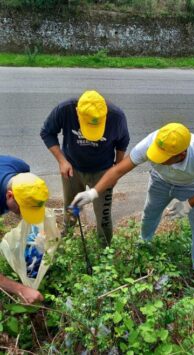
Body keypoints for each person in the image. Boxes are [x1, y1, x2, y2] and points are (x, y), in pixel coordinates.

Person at [71, 123, 194, 274]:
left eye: (163, 158)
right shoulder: (153, 141)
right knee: (149, 214)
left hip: (193, 186)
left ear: (181, 154)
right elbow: (118, 170)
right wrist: (93, 193)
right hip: (160, 181)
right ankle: (143, 246)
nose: (157, 159)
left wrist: (189, 204)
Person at [40, 90, 130, 246]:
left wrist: (115, 170)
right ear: (77, 112)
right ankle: (66, 239)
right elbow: (47, 132)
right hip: (72, 169)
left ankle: (104, 250)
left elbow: (122, 143)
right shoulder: (65, 110)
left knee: (103, 215)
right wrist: (62, 161)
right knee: (71, 206)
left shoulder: (117, 117)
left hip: (103, 172)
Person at [0, 156, 49, 303]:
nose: (24, 216)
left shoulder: (18, 166)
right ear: (9, 195)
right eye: (23, 210)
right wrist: (20, 289)